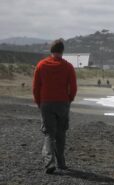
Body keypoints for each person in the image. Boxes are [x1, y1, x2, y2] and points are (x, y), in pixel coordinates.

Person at [32, 39, 77, 174]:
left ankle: (49, 162)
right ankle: (61, 163)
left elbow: (36, 87)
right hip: (62, 102)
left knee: (49, 133)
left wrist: (39, 102)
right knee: (61, 133)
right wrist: (70, 99)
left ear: (51, 50)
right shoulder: (68, 66)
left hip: (46, 103)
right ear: (62, 51)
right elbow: (73, 87)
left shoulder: (41, 65)